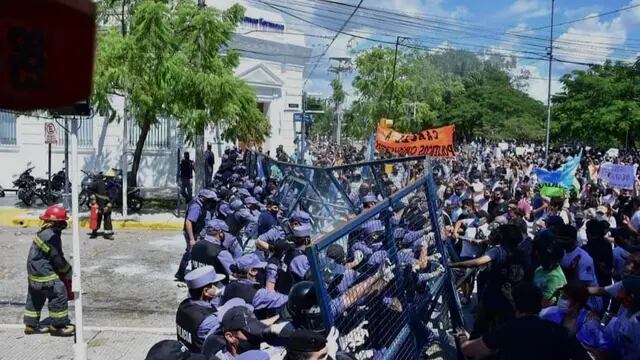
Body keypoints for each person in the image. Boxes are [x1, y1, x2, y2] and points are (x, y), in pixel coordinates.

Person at [456, 282, 588, 360]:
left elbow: (468, 350)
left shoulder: (507, 330)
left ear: (515, 305)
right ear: (540, 304)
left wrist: (462, 337)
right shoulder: (559, 332)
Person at [24, 204, 75, 337]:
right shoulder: (52, 236)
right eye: (62, 222)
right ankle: (58, 326)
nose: (64, 224)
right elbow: (57, 259)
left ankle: (31, 325)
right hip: (43, 272)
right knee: (59, 292)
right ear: (55, 223)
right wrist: (68, 271)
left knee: (36, 295)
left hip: (33, 270)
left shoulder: (43, 232)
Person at [175, 266, 227, 353]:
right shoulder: (209, 320)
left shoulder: (184, 305)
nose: (218, 286)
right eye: (215, 284)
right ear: (206, 291)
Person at [222, 254, 288, 320]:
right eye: (261, 269)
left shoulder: (228, 286)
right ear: (253, 271)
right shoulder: (257, 294)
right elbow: (284, 300)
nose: (262, 272)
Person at [176, 189, 218, 282]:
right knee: (191, 253)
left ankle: (182, 273)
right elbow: (188, 222)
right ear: (203, 198)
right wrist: (192, 239)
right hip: (192, 234)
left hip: (195, 232)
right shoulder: (196, 207)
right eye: (209, 199)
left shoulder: (199, 204)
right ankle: (184, 274)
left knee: (192, 253)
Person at [89, 170, 114, 240]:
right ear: (106, 177)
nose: (111, 179)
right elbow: (90, 190)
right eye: (110, 177)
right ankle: (94, 232)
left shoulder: (112, 186)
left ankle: (108, 234)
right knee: (97, 219)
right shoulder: (98, 183)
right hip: (98, 204)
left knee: (108, 219)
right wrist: (93, 199)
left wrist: (110, 204)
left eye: (112, 178)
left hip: (107, 205)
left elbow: (114, 197)